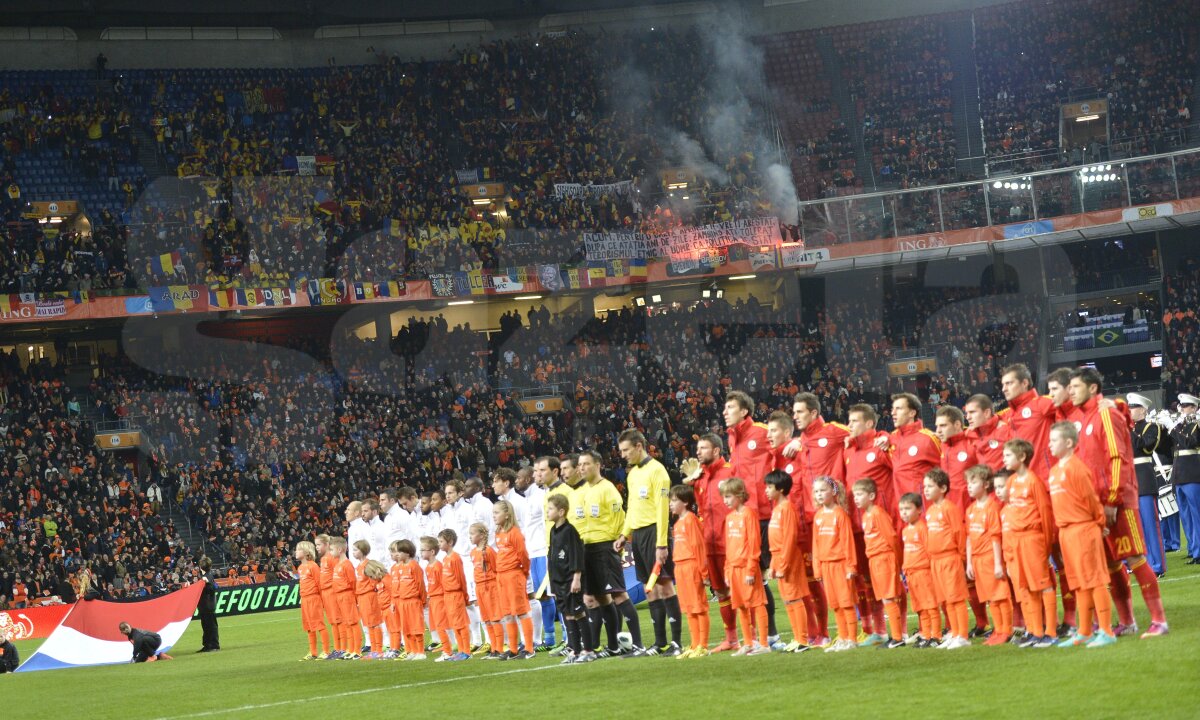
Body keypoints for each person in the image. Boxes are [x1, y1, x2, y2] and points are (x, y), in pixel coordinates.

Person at [1068, 367, 1167, 638]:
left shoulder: (1105, 414)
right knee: (1112, 563)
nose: (1071, 392)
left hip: (1118, 501)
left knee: (1134, 557)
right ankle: (1127, 621)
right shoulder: (1084, 418)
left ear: (1092, 388)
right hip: (1097, 504)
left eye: (1075, 387)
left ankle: (1159, 620)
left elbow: (1117, 458)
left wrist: (1112, 498)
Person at [1046, 422, 1117, 648]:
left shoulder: (1077, 468)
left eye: (1054, 440)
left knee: (1095, 580)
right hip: (1066, 532)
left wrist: (1098, 523)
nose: (1049, 444)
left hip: (1083, 529)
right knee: (1078, 583)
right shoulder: (1054, 471)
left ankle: (1106, 630)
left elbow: (1091, 500)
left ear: (1068, 443)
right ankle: (1084, 631)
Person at [615, 429, 680, 656]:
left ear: (638, 446)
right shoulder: (632, 474)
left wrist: (662, 544)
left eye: (626, 450)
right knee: (648, 589)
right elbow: (632, 508)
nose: (623, 455)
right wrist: (624, 535)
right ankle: (660, 642)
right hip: (638, 536)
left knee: (664, 585)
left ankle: (676, 643)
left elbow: (663, 510)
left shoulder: (658, 471)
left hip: (655, 533)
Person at [723, 391, 778, 645]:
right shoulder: (732, 439)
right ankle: (761, 636)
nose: (725, 412)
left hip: (766, 515)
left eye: (730, 407)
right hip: (746, 517)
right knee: (755, 577)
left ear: (744, 411)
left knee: (769, 575)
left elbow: (784, 445)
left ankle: (778, 635)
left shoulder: (761, 432)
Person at [680, 433, 739, 649]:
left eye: (703, 448)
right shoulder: (699, 476)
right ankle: (731, 639)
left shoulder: (731, 471)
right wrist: (690, 482)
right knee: (721, 592)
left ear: (716, 450)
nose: (698, 452)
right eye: (697, 448)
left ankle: (754, 637)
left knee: (740, 591)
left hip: (731, 542)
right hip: (710, 543)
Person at [577, 449, 638, 657]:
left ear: (598, 465)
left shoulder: (608, 489)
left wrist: (619, 540)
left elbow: (619, 518)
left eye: (586, 464)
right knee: (600, 598)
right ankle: (612, 646)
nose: (582, 468)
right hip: (588, 547)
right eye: (580, 464)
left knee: (619, 594)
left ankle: (637, 644)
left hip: (605, 547)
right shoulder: (584, 491)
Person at [1002, 439, 1058, 648]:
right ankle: (1035, 631)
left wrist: (1046, 544)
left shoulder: (1034, 481)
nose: (1004, 459)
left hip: (1033, 538)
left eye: (1008, 455)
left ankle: (1050, 632)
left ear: (1022, 457)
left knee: (1042, 584)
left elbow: (1045, 514)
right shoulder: (1011, 482)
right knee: (1026, 586)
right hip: (1016, 540)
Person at [852, 479, 905, 649]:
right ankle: (895, 636)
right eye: (854, 495)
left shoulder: (878, 513)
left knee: (888, 597)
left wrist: (898, 561)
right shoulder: (866, 515)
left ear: (871, 496)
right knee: (883, 597)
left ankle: (897, 637)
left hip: (884, 558)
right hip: (874, 560)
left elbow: (891, 537)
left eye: (859, 494)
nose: (856, 498)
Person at [964, 465, 1013, 646]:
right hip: (977, 560)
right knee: (989, 596)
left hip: (990, 557)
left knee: (1000, 594)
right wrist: (969, 563)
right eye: (968, 482)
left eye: (973, 482)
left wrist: (998, 563)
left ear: (985, 484)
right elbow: (969, 537)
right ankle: (997, 630)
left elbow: (996, 537)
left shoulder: (992, 507)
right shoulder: (970, 510)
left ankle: (1006, 630)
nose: (969, 486)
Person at [722, 477, 770, 656]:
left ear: (740, 495)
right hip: (734, 568)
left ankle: (764, 644)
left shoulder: (749, 514)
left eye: (728, 496)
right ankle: (748, 643)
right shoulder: (729, 518)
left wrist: (751, 569)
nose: (725, 501)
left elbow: (754, 543)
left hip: (747, 568)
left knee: (757, 603)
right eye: (724, 497)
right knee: (740, 605)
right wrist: (727, 570)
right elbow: (728, 546)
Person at [922, 468, 969, 649]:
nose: (926, 490)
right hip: (936, 560)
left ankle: (963, 635)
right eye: (925, 486)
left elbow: (959, 532)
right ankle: (955, 633)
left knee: (956, 597)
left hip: (950, 558)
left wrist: (961, 558)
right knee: (946, 599)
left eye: (930, 486)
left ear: (942, 488)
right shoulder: (930, 510)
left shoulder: (950, 508)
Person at [764, 470, 810, 653]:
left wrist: (783, 564)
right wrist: (773, 564)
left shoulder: (787, 508)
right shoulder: (777, 509)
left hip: (788, 558)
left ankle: (803, 640)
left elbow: (790, 538)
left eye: (769, 487)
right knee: (787, 600)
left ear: (781, 489)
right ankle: (797, 638)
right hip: (778, 557)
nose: (766, 490)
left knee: (794, 597)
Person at [811, 476, 858, 652]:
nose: (819, 494)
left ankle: (852, 639)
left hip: (841, 565)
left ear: (833, 492)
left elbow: (847, 542)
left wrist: (851, 566)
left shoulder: (840, 514)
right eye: (816, 491)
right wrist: (817, 568)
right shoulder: (818, 516)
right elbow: (815, 544)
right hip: (826, 566)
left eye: (823, 490)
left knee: (846, 602)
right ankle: (843, 637)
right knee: (835, 604)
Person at [547, 493, 593, 664]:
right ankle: (575, 650)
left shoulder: (570, 531)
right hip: (558, 580)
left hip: (569, 579)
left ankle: (588, 650)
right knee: (568, 615)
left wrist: (576, 578)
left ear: (561, 512)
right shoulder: (553, 531)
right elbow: (552, 556)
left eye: (550, 509)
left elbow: (576, 554)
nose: (547, 512)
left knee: (578, 613)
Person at [1127, 393, 1171, 576]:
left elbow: (1145, 447)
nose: (1130, 411)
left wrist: (1130, 429)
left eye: (1134, 407)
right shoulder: (1126, 428)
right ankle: (1140, 564)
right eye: (1129, 407)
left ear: (1143, 410)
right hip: (1128, 480)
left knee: (1150, 525)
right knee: (1134, 527)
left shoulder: (1151, 427)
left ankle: (1157, 566)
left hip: (1144, 478)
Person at [997, 363, 1058, 479]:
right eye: (1003, 385)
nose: (1004, 389)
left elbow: (1073, 403)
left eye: (1009, 383)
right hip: (1022, 481)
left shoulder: (1042, 403)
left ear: (1024, 383)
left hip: (1045, 480)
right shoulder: (1007, 414)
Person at [493, 500, 536, 660]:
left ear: (507, 514)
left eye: (496, 512)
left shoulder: (515, 532)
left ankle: (529, 649)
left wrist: (523, 572)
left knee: (521, 611)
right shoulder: (499, 533)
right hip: (501, 576)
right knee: (507, 613)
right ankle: (513, 649)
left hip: (513, 575)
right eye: (493, 513)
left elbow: (523, 555)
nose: (494, 516)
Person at [885, 393, 942, 503]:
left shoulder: (928, 439)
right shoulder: (891, 439)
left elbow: (945, 470)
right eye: (892, 409)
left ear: (912, 413)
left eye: (898, 408)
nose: (893, 413)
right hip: (900, 507)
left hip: (923, 506)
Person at [899, 493, 940, 647]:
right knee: (920, 607)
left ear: (919, 510)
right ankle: (926, 635)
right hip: (911, 574)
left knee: (930, 605)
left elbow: (929, 550)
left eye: (907, 508)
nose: (904, 512)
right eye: (901, 509)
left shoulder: (922, 528)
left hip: (923, 572)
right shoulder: (905, 531)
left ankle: (936, 636)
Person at [1170, 394, 1200, 565]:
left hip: (1192, 474)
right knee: (1185, 516)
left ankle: (1199, 551)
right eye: (1181, 406)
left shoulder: (1196, 425)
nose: (1182, 409)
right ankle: (1192, 549)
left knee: (1196, 514)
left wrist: (1173, 428)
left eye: (1186, 406)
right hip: (1179, 475)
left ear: (1194, 408)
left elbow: (1191, 443)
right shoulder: (1179, 425)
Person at [469, 523, 505, 659]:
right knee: (486, 620)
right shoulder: (473, 552)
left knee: (495, 619)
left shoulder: (489, 551)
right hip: (479, 588)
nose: (470, 536)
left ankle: (499, 649)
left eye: (472, 534)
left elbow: (497, 569)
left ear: (482, 535)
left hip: (490, 587)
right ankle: (493, 648)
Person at [436, 529, 471, 661]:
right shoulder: (445, 559)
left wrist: (465, 595)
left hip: (456, 594)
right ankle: (461, 650)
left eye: (441, 541)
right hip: (448, 595)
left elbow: (461, 578)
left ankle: (466, 651)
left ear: (450, 542)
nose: (439, 544)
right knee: (454, 624)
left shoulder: (455, 558)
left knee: (461, 623)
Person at [389, 539, 427, 660]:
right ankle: (412, 651)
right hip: (402, 601)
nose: (397, 554)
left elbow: (420, 584)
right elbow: (396, 586)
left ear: (407, 553)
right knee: (406, 628)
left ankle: (421, 652)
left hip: (413, 600)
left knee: (416, 626)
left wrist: (423, 600)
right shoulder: (399, 567)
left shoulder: (414, 566)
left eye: (400, 552)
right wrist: (394, 601)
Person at [420, 537, 453, 662]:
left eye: (423, 550)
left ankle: (448, 651)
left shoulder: (438, 566)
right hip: (433, 599)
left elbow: (443, 584)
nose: (421, 553)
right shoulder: (428, 567)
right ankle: (447, 648)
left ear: (432, 552)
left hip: (439, 599)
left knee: (441, 626)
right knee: (436, 626)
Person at [295, 541, 329, 660]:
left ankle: (326, 651)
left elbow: (319, 584)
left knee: (319, 624)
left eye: (298, 549)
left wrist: (322, 600)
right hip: (304, 599)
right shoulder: (300, 568)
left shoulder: (313, 566)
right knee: (308, 626)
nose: (296, 552)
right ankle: (313, 652)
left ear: (306, 552)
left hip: (314, 598)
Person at [330, 537, 361, 660]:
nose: (330, 552)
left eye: (332, 549)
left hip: (347, 595)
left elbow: (353, 582)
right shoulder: (338, 564)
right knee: (347, 623)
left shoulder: (347, 564)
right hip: (339, 596)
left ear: (340, 549)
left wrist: (355, 599)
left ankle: (357, 650)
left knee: (353, 622)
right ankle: (350, 649)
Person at [315, 534, 342, 658]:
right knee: (332, 621)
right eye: (316, 545)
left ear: (326, 544)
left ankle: (342, 648)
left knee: (338, 620)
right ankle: (337, 648)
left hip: (332, 591)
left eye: (319, 544)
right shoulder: (323, 559)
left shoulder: (332, 558)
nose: (316, 547)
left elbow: (338, 575)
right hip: (325, 592)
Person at [356, 556, 386, 657]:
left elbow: (374, 585)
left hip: (370, 597)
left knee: (374, 623)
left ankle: (379, 650)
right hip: (363, 597)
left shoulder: (369, 567)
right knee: (369, 624)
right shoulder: (360, 567)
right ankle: (374, 650)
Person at [197, 556, 219, 653]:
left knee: (210, 626)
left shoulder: (207, 576)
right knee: (206, 626)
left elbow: (212, 589)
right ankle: (207, 645)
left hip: (208, 605)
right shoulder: (206, 576)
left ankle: (214, 645)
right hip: (205, 606)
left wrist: (207, 583)